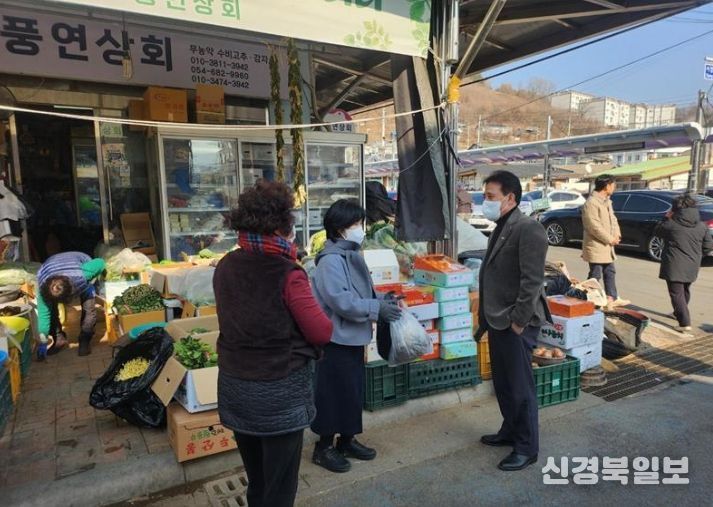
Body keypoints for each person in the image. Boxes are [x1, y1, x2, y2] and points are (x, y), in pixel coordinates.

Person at [214, 181, 333, 507]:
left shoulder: (225, 266)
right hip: (279, 392)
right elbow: (321, 332)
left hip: (236, 386)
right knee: (279, 487)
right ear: (281, 225)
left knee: (258, 481)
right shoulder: (287, 273)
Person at [311, 199, 401, 473]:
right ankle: (323, 447)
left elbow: (362, 293)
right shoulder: (330, 262)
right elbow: (342, 302)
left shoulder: (352, 255)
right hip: (335, 339)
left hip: (353, 337)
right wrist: (376, 308)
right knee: (331, 393)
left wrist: (384, 299)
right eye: (357, 224)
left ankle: (346, 440)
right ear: (340, 228)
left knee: (351, 391)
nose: (361, 229)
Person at [475, 170, 550, 472]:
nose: (485, 202)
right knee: (504, 383)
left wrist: (518, 321)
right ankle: (510, 430)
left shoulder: (528, 228)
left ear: (510, 198)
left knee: (520, 388)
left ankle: (527, 447)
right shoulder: (502, 226)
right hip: (498, 319)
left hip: (515, 321)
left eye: (490, 196)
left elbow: (532, 281)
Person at [655, 194, 713, 332]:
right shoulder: (702, 226)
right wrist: (698, 255)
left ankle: (684, 323)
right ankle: (678, 313)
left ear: (676, 209)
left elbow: (657, 231)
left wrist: (666, 217)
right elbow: (708, 246)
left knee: (676, 293)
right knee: (685, 290)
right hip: (693, 263)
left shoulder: (671, 224)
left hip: (674, 263)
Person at [36, 251, 105, 357]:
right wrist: (43, 341)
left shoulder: (81, 275)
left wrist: (91, 280)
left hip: (80, 262)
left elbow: (100, 262)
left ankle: (85, 340)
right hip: (49, 267)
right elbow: (44, 317)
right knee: (50, 311)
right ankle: (59, 339)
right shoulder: (43, 290)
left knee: (89, 309)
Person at [581, 175, 629, 307]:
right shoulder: (591, 203)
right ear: (607, 186)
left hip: (607, 245)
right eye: (613, 185)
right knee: (595, 275)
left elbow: (613, 219)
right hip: (596, 244)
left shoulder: (607, 201)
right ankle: (587, 298)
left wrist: (617, 234)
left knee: (610, 271)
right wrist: (610, 239)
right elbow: (593, 226)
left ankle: (611, 297)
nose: (614, 187)